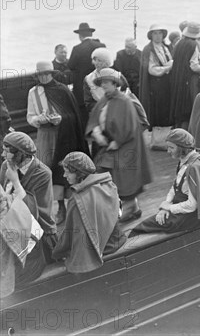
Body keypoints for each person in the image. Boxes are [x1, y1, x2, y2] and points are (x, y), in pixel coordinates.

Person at [26, 61, 87, 225]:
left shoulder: (63, 90)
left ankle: (75, 205)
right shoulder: (33, 92)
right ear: (37, 76)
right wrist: (38, 119)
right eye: (40, 75)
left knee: (65, 168)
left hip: (64, 134)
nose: (44, 77)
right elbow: (30, 116)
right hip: (45, 136)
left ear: (52, 74)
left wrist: (61, 119)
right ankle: (60, 207)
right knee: (48, 169)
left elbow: (73, 116)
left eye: (46, 74)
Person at [87, 68, 152, 222]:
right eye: (101, 83)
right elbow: (94, 119)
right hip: (108, 145)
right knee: (101, 173)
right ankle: (123, 207)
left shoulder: (125, 101)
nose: (103, 86)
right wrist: (96, 132)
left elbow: (131, 126)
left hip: (125, 147)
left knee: (124, 177)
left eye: (106, 83)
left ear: (115, 83)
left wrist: (118, 142)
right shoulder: (104, 100)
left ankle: (130, 207)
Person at [131, 129, 200, 235]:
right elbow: (175, 186)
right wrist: (166, 205)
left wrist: (169, 208)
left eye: (171, 147)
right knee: (144, 226)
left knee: (140, 229)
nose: (168, 151)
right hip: (180, 207)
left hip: (190, 216)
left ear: (182, 148)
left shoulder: (194, 168)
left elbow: (192, 205)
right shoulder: (185, 160)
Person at [51, 152, 125, 273]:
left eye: (68, 172)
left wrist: (57, 252)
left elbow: (72, 234)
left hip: (103, 249)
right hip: (117, 240)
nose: (64, 175)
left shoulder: (77, 200)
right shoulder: (108, 184)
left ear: (79, 173)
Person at [1, 132, 57, 264]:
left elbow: (33, 210)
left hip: (37, 233)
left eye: (7, 152)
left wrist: (15, 181)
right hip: (9, 224)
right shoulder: (6, 165)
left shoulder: (43, 173)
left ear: (21, 154)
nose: (3, 155)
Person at [0, 183, 45, 297]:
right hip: (36, 262)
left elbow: (5, 271)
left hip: (27, 271)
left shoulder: (4, 225)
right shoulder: (14, 201)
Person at [139, 24, 173, 149]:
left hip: (166, 84)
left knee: (166, 110)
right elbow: (152, 69)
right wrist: (168, 67)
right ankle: (158, 142)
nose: (158, 36)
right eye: (155, 33)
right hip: (156, 85)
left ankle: (165, 140)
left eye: (160, 33)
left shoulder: (165, 47)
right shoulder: (149, 50)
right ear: (151, 35)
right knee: (159, 110)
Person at [67, 22, 105, 124]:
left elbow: (70, 66)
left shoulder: (77, 49)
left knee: (83, 112)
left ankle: (87, 135)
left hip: (82, 86)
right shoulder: (101, 46)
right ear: (91, 34)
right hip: (100, 84)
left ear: (80, 36)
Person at [170, 22, 200, 129]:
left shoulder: (179, 43)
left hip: (177, 79)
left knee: (178, 105)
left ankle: (178, 129)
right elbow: (193, 65)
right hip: (188, 81)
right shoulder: (193, 45)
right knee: (188, 106)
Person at [83, 48, 113, 115]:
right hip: (98, 114)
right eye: (95, 60)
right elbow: (88, 103)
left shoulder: (118, 76)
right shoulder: (88, 79)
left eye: (99, 60)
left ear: (107, 62)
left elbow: (127, 94)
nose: (96, 63)